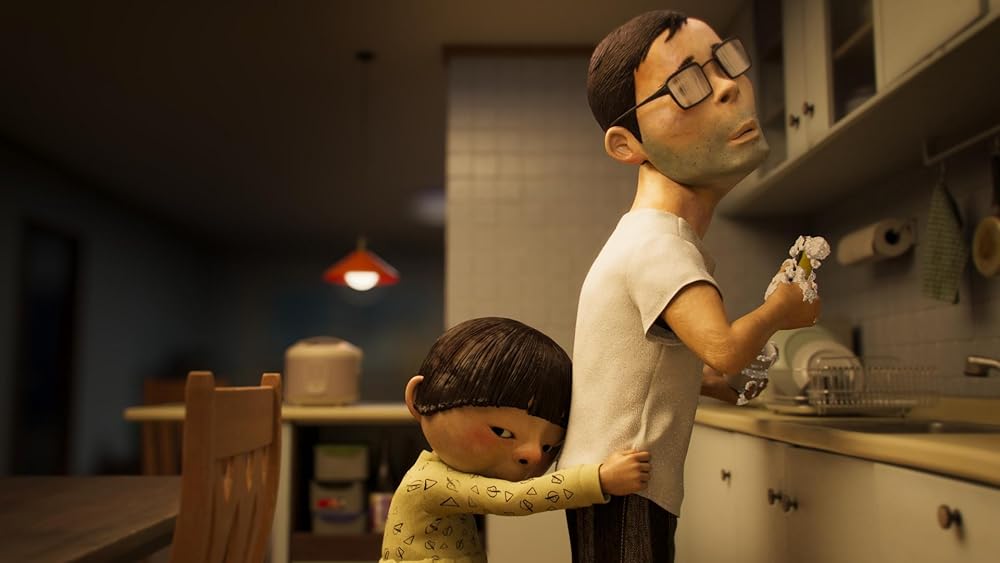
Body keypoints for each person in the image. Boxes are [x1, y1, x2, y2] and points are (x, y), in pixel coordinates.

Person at [557, 10, 823, 563]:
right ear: (626, 145)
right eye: (686, 85)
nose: (728, 87)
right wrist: (781, 308)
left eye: (726, 62)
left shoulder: (645, 238)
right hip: (626, 485)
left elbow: (632, 370)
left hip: (607, 479)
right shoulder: (660, 245)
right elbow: (724, 348)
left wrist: (703, 384)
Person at [380, 316, 651, 563]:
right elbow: (513, 498)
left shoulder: (442, 475)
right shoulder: (428, 482)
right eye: (502, 432)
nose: (534, 455)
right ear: (419, 399)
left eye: (549, 446)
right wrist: (600, 479)